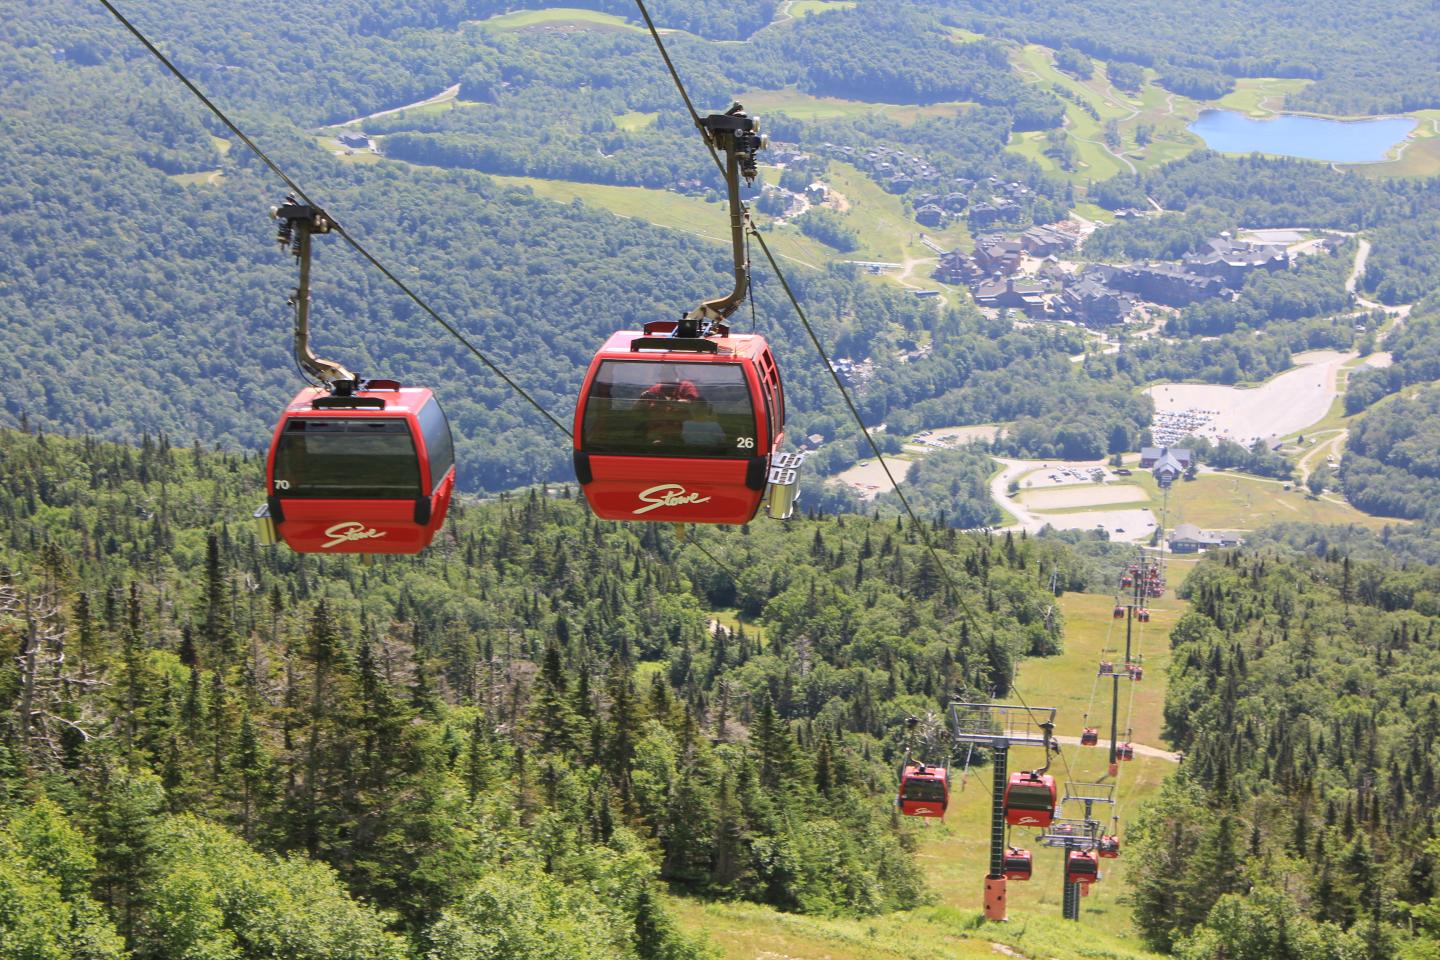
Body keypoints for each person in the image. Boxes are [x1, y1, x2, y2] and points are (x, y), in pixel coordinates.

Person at [638, 365, 701, 447]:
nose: (662, 376)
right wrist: (641, 399)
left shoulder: (686, 386)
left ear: (675, 374)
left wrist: (667, 402)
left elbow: (693, 404)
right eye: (662, 374)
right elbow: (635, 412)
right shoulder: (656, 388)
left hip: (679, 432)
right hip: (655, 432)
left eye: (666, 374)